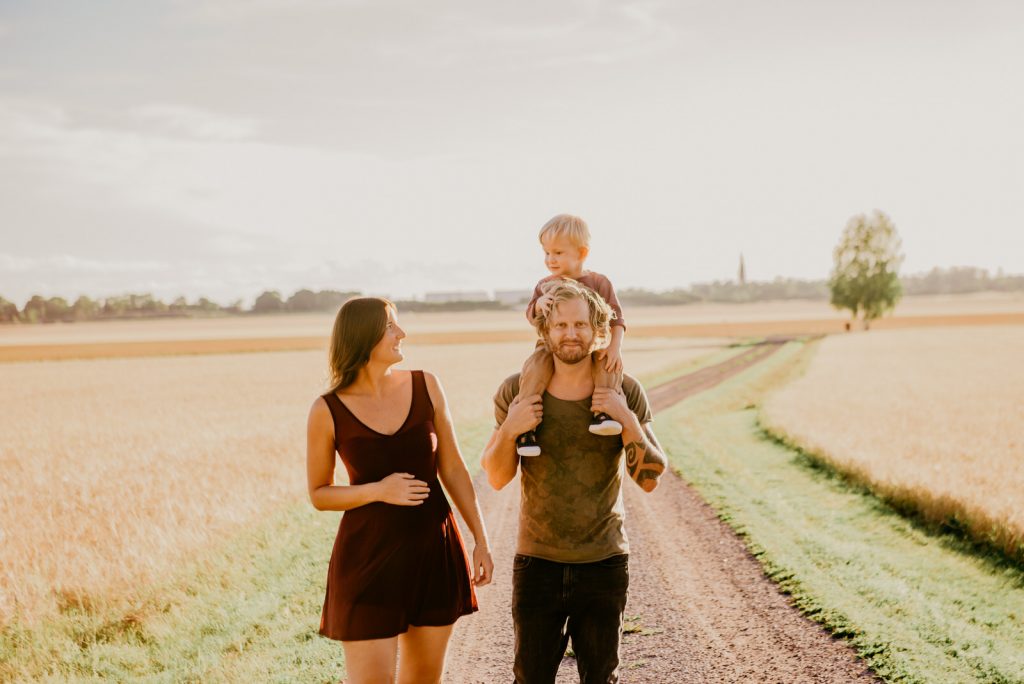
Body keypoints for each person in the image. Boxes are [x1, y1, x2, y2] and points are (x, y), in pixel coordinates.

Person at [481, 279, 668, 684]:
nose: (570, 334)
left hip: (604, 562)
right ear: (545, 331)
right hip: (537, 564)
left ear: (597, 328)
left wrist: (627, 420)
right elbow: (496, 477)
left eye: (580, 325)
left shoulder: (624, 390)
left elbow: (650, 478)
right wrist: (511, 429)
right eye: (561, 325)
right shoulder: (516, 390)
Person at [306, 297, 494, 684]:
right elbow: (319, 493)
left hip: (433, 554)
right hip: (367, 562)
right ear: (363, 336)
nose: (402, 333)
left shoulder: (427, 385)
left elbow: (454, 468)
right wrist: (378, 490)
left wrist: (481, 538)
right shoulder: (327, 409)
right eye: (392, 326)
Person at [514, 214, 628, 458]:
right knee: (533, 369)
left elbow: (617, 318)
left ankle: (602, 413)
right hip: (551, 346)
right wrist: (538, 305)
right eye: (546, 253)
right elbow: (531, 315)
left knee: (608, 367)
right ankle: (527, 430)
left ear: (582, 252)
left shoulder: (599, 282)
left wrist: (615, 347)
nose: (550, 259)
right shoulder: (544, 286)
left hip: (593, 345)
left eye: (558, 253)